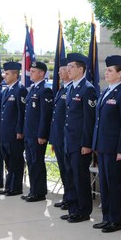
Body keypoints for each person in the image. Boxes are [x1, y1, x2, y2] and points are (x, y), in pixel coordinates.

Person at [92, 55, 121, 232]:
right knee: (105, 184)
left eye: (110, 70)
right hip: (103, 147)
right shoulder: (106, 91)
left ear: (120, 74)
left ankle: (116, 221)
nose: (106, 72)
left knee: (115, 185)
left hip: (116, 149)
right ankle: (107, 217)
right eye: (106, 69)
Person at [60, 53, 97, 223]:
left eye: (71, 67)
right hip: (69, 141)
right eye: (68, 66)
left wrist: (87, 143)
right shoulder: (71, 88)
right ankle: (73, 208)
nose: (68, 69)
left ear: (81, 69)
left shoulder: (87, 89)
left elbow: (89, 120)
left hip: (80, 143)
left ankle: (83, 211)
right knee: (70, 176)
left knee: (80, 178)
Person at [23, 61, 54, 202]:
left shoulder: (45, 90)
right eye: (31, 71)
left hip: (37, 135)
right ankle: (33, 190)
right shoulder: (33, 89)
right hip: (29, 133)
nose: (31, 73)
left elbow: (45, 115)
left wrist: (42, 134)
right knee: (31, 162)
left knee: (37, 163)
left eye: (34, 71)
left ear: (42, 73)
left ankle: (39, 192)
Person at [0, 61, 27, 196]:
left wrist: (20, 130)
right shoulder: (6, 90)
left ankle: (16, 187)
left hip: (14, 133)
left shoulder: (20, 90)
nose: (4, 76)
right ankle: (9, 185)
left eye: (7, 73)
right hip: (5, 132)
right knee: (8, 161)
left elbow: (21, 113)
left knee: (16, 160)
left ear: (15, 75)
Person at [50, 59, 71, 210]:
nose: (59, 72)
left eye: (62, 69)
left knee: (69, 171)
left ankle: (71, 199)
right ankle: (67, 197)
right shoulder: (62, 89)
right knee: (63, 170)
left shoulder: (73, 89)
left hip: (68, 138)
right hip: (59, 137)